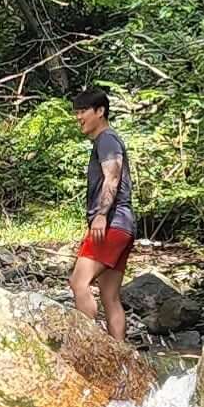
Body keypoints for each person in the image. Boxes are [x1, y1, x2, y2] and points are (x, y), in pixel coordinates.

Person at [70, 86, 136, 341]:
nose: (79, 117)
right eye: (76, 112)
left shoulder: (107, 139)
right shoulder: (107, 140)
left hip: (112, 223)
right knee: (109, 295)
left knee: (78, 283)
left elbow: (113, 177)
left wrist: (100, 215)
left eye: (83, 111)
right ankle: (119, 354)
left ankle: (90, 345)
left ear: (100, 111)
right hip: (124, 225)